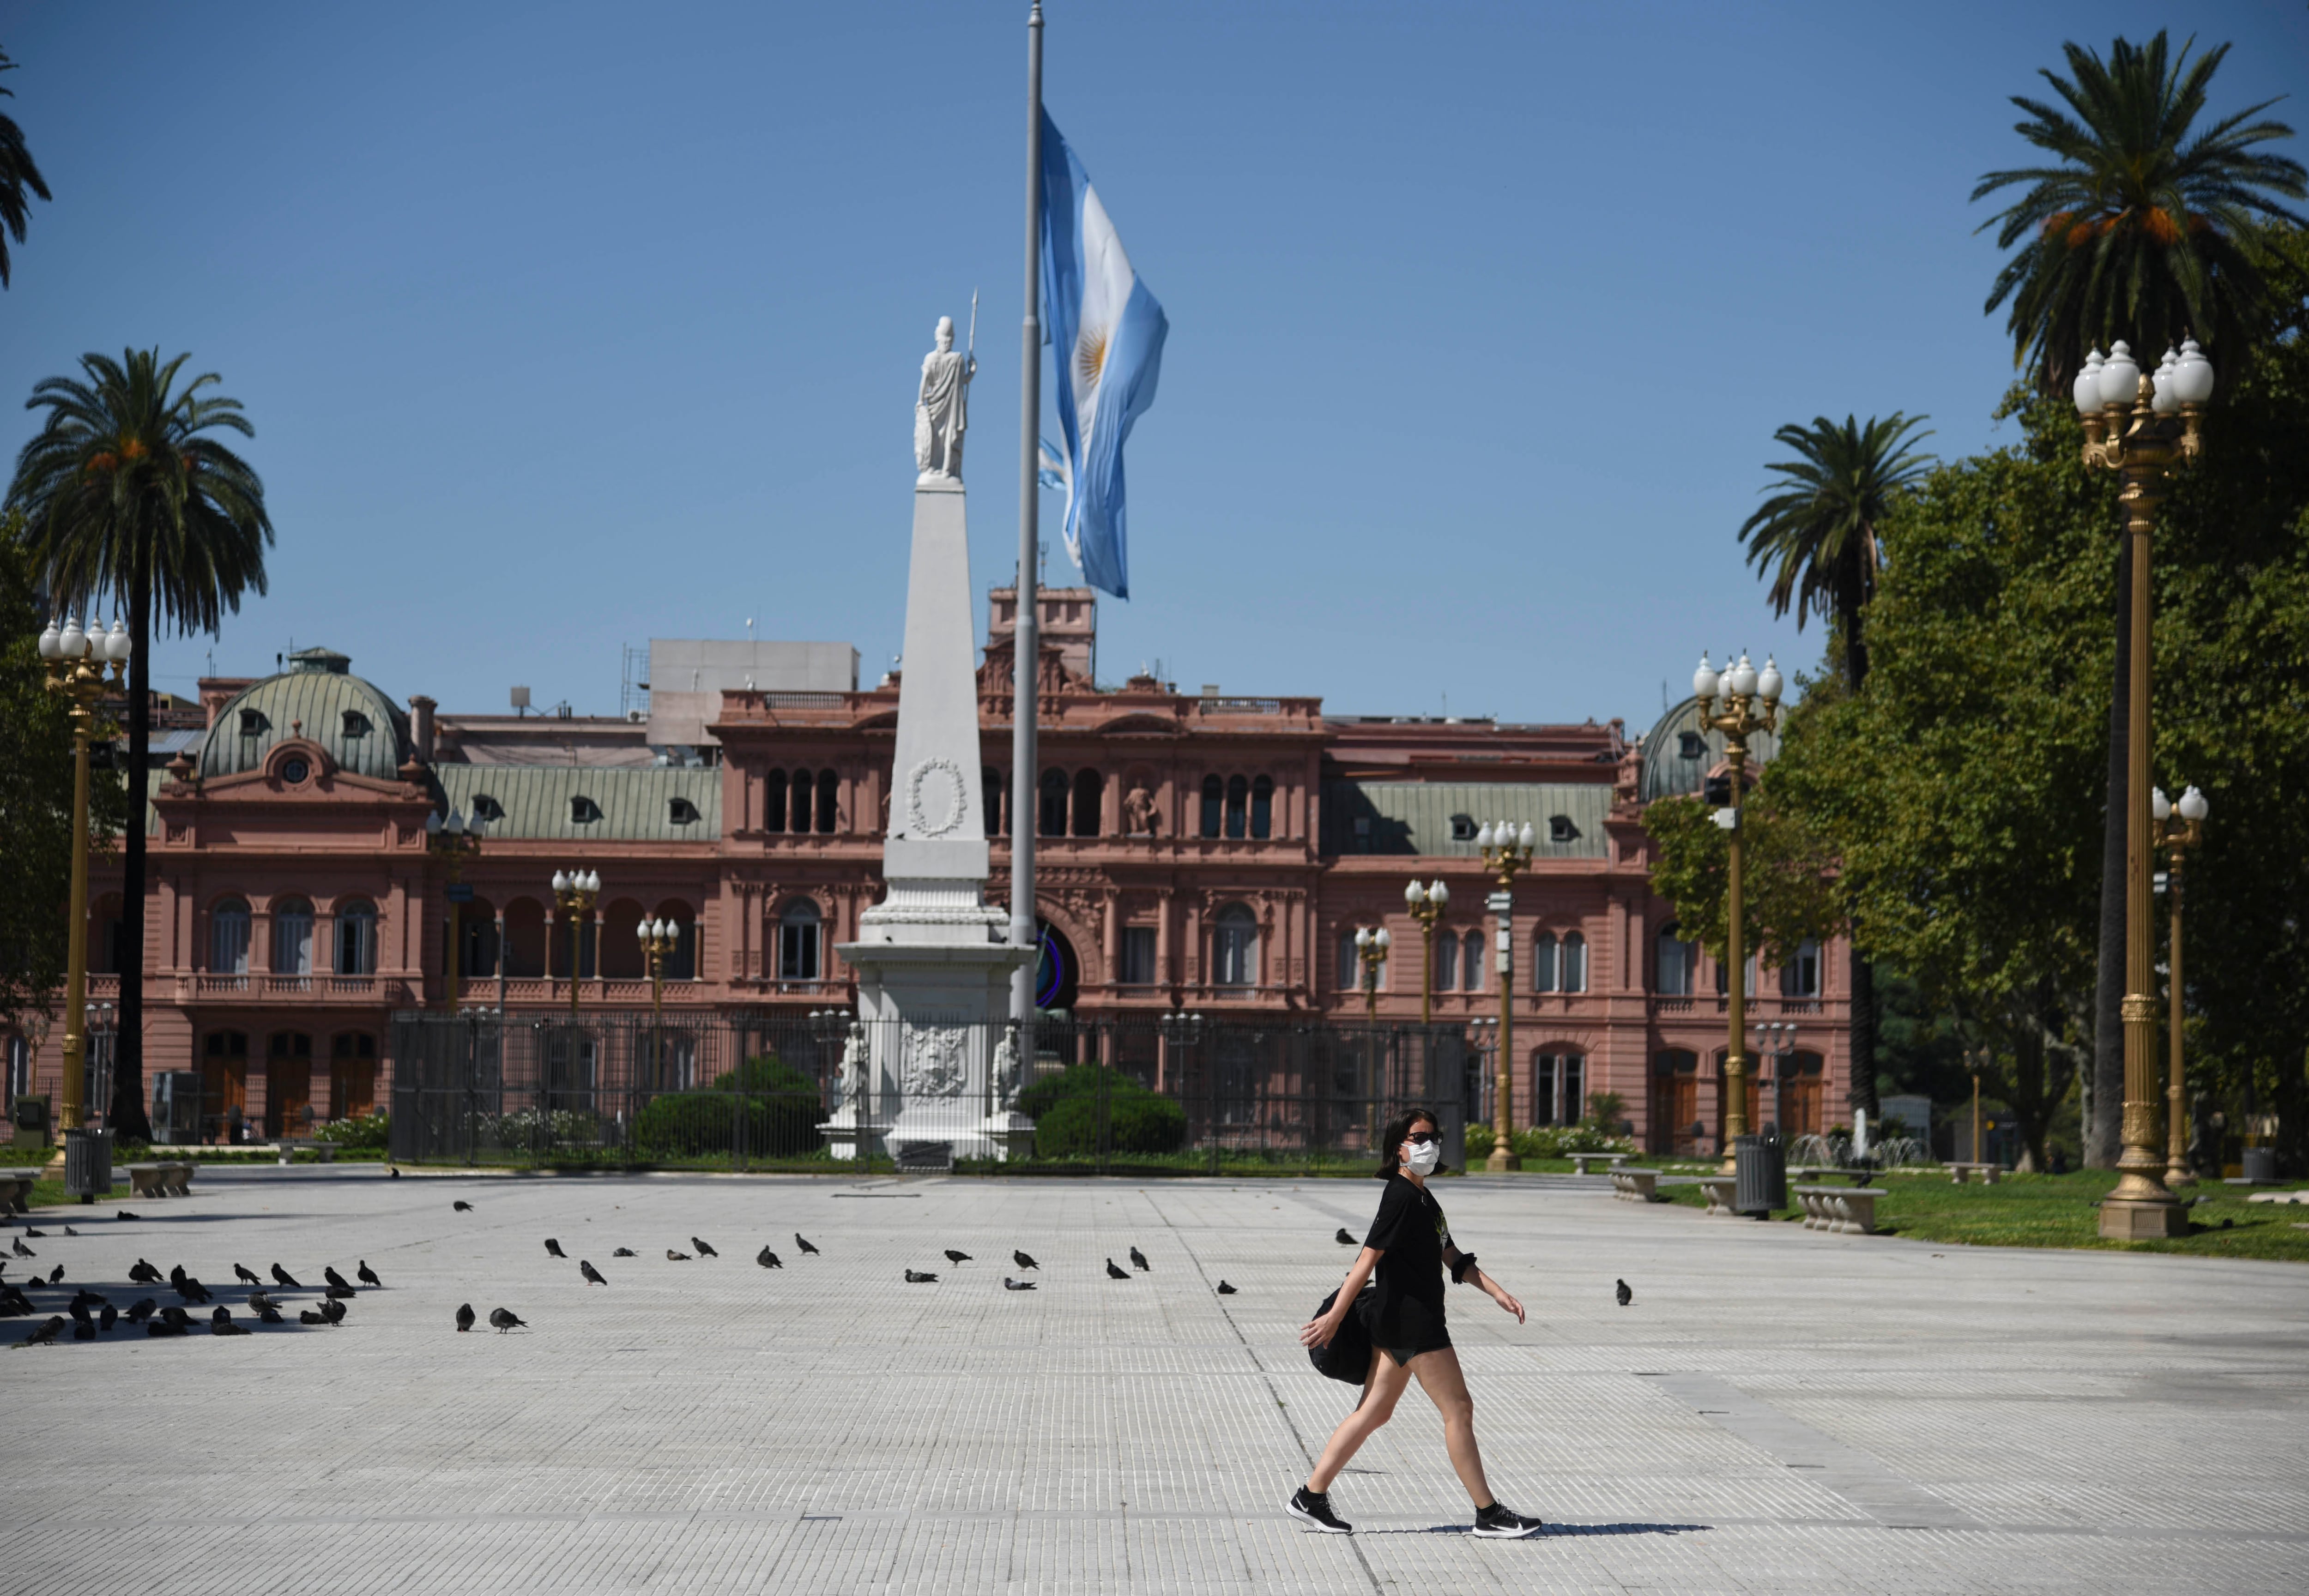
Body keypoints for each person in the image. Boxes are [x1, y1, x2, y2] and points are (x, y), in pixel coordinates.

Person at [1291, 1108, 1544, 1538]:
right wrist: (1333, 1318)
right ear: (1398, 1147)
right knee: (1459, 1409)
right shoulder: (1400, 1197)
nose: (1427, 1144)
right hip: (1415, 1325)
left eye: (1433, 1136)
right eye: (1417, 1137)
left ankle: (1310, 1496)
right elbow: (1365, 1260)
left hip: (1400, 1324)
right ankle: (1488, 1513)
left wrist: (1498, 1293)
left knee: (1374, 1412)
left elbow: (1453, 1256)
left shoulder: (1424, 1199)